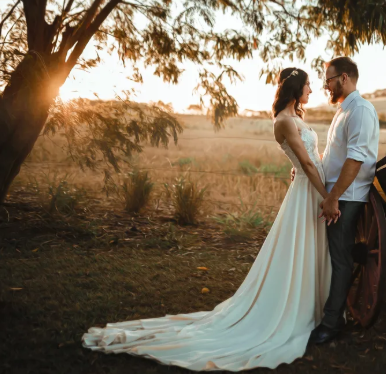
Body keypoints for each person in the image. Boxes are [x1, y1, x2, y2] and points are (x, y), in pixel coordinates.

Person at [82, 67, 334, 371]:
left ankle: (316, 305)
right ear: (296, 89)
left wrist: (311, 176)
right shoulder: (283, 121)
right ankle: (295, 309)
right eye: (308, 86)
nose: (312, 90)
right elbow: (304, 160)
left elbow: (307, 157)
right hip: (309, 191)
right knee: (299, 248)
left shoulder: (297, 117)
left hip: (310, 185)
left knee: (311, 247)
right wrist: (327, 195)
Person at [308, 57, 379, 345]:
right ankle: (330, 313)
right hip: (337, 194)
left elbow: (355, 159)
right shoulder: (344, 110)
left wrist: (333, 198)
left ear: (345, 78)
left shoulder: (360, 110)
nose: (325, 85)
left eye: (329, 79)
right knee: (335, 257)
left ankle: (332, 322)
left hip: (347, 198)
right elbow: (334, 155)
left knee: (340, 259)